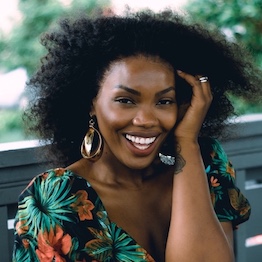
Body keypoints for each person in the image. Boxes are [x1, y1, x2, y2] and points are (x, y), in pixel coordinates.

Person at [12, 8, 261, 262]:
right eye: (126, 100)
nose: (146, 120)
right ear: (90, 103)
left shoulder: (206, 166)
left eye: (164, 102)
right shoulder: (56, 198)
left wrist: (186, 142)